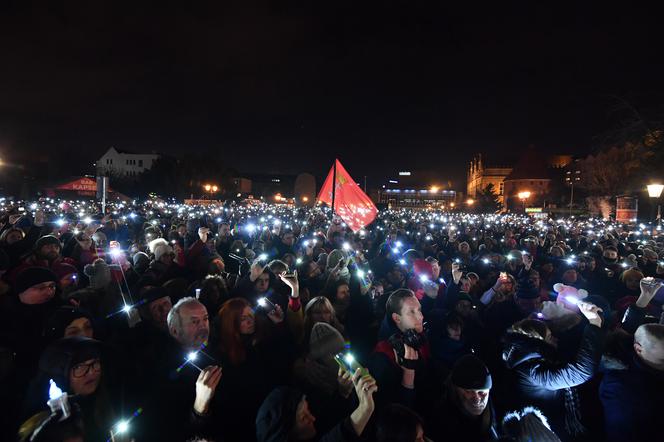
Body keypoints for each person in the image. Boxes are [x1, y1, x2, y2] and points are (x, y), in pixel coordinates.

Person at [501, 300, 605, 441]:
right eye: (549, 337)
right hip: (554, 430)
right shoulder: (534, 371)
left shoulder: (534, 357)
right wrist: (594, 323)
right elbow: (581, 371)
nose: (555, 339)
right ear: (538, 342)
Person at [256, 370, 378, 442]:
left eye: (307, 409)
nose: (313, 418)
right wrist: (365, 408)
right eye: (304, 418)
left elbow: (330, 418)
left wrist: (343, 392)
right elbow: (339, 437)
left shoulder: (310, 426)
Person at [368, 289, 433, 413]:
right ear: (397, 318)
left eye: (419, 309)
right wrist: (408, 374)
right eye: (411, 312)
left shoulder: (419, 336)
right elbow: (391, 410)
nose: (421, 316)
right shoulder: (383, 355)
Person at [600, 323, 664, 442]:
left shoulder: (651, 364)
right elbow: (622, 434)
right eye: (662, 360)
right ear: (639, 349)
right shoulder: (619, 390)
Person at [430, 354, 497, 442]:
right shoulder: (441, 421)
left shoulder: (494, 408)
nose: (477, 399)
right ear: (455, 390)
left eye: (482, 392)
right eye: (468, 391)